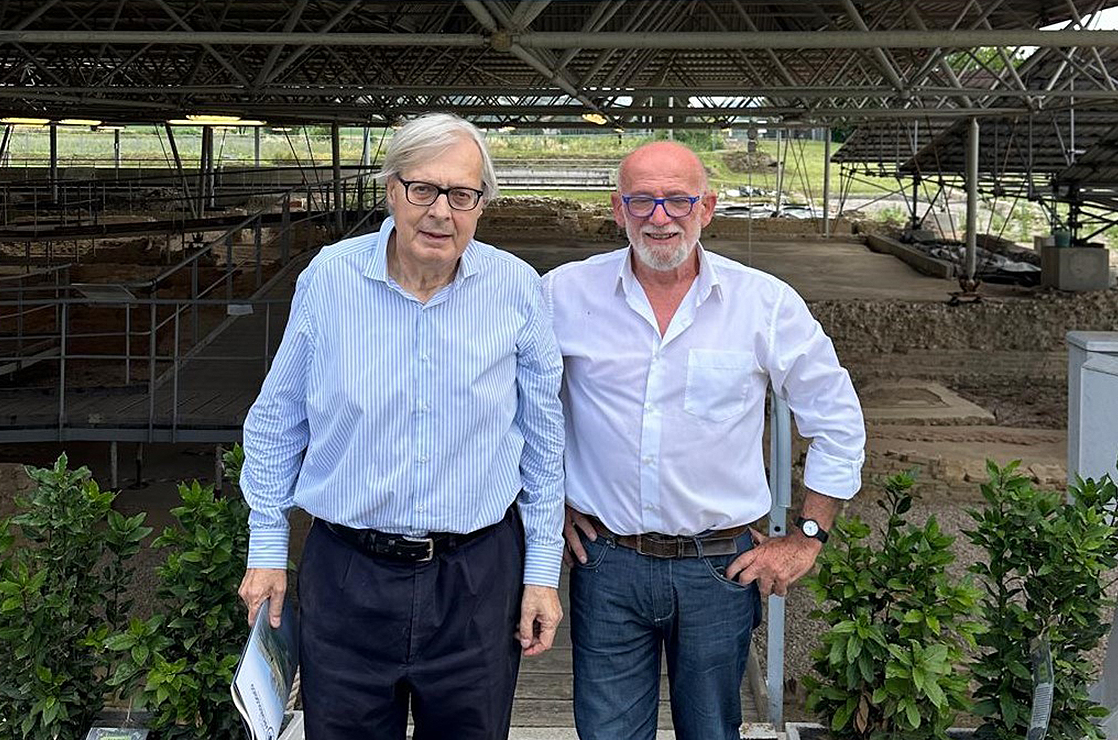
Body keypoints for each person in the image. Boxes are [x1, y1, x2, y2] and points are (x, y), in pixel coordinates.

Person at [238, 112, 565, 740]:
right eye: (424, 189)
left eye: (463, 195)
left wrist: (541, 573)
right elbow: (279, 420)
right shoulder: (330, 279)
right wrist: (268, 549)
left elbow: (544, 441)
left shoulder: (516, 287)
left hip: (475, 577)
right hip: (349, 572)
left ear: (480, 207)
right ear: (391, 191)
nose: (442, 211)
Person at [542, 140, 865, 740]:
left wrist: (808, 537)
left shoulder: (763, 303)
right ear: (618, 209)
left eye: (677, 200)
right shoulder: (563, 294)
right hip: (606, 562)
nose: (659, 217)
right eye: (641, 201)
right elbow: (521, 408)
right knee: (607, 732)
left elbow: (836, 417)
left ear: (707, 208)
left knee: (712, 731)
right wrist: (548, 499)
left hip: (719, 567)